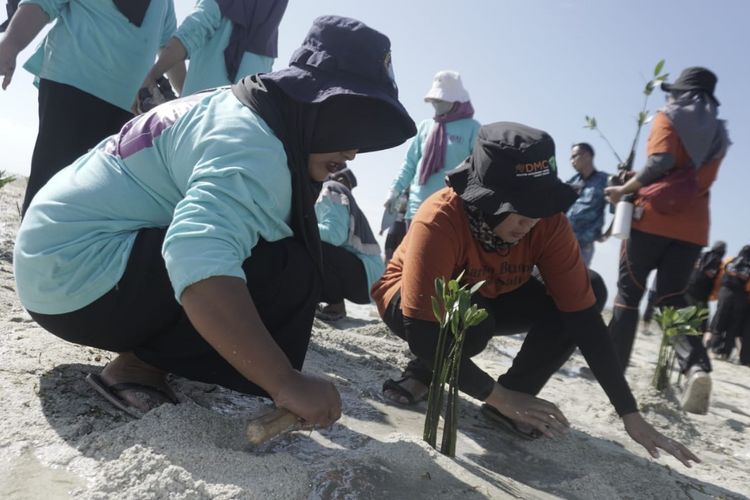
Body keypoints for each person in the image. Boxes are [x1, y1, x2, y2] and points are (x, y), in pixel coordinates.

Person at [13, 16, 416, 427]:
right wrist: (284, 382)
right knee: (285, 270)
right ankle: (136, 369)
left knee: (278, 252)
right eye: (352, 123)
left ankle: (165, 353)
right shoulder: (254, 146)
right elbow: (199, 259)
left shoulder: (242, 104)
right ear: (312, 101)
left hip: (52, 261)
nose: (353, 150)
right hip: (75, 280)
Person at [372, 122, 699, 467]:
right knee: (474, 326)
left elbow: (585, 320)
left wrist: (629, 413)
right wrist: (498, 395)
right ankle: (425, 375)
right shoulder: (440, 216)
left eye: (539, 207)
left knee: (591, 287)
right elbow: (421, 331)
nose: (530, 222)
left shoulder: (547, 221)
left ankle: (519, 394)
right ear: (486, 198)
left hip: (492, 294)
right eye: (520, 209)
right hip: (413, 304)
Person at [605, 67, 730, 414]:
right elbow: (684, 177)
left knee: (629, 293)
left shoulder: (668, 118)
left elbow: (661, 162)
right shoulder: (719, 132)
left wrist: (625, 188)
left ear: (680, 93)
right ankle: (696, 368)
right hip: (692, 228)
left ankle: (613, 370)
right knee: (673, 299)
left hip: (650, 219)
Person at [0, 0, 178, 215]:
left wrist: (191, 97)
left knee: (97, 199)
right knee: (51, 181)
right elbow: (42, 4)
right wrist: (11, 43)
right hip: (71, 87)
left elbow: (171, 48)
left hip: (126, 108)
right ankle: (30, 247)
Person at [136, 0, 288, 106]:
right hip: (243, 129)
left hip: (199, 121)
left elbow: (191, 32)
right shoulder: (269, 33)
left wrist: (150, 77)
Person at [385, 70, 480, 226]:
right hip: (416, 208)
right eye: (434, 100)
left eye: (441, 99)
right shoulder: (425, 126)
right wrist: (394, 191)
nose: (436, 103)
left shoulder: (472, 129)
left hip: (452, 210)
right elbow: (409, 164)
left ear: (456, 100)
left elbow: (477, 170)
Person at [314, 167, 384, 322]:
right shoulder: (341, 194)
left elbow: (334, 236)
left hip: (365, 280)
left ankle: (335, 305)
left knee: (314, 245)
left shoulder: (331, 188)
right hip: (370, 282)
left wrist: (301, 225)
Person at [565, 143, 610, 266]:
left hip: (583, 245)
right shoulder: (572, 182)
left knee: (573, 282)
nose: (572, 161)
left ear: (587, 156)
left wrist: (608, 233)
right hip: (562, 240)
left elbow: (619, 208)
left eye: (574, 156)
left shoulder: (605, 180)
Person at [709, 245, 750, 359]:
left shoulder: (729, 260)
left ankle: (714, 349)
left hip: (725, 293)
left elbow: (721, 276)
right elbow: (748, 287)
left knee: (719, 322)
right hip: (740, 298)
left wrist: (717, 292)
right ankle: (726, 353)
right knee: (733, 326)